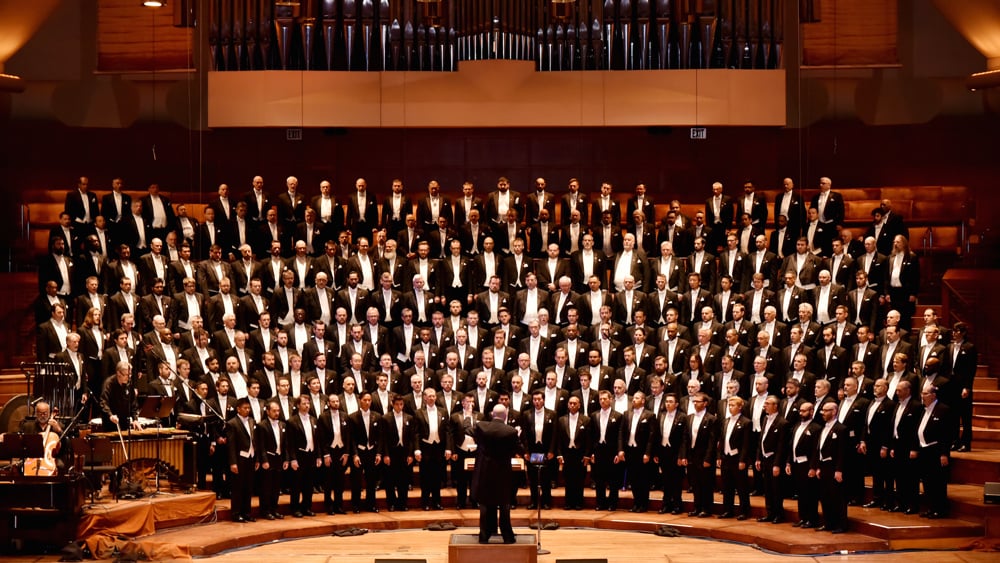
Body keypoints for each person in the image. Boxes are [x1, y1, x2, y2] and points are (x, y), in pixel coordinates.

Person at [471, 404, 521, 544]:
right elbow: (516, 450)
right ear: (505, 415)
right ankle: (507, 536)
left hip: (485, 473)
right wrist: (518, 435)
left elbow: (470, 431)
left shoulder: (481, 427)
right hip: (503, 474)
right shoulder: (511, 431)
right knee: (504, 505)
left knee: (485, 506)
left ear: (492, 414)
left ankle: (484, 535)